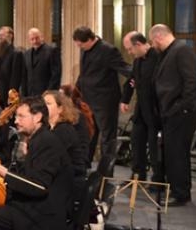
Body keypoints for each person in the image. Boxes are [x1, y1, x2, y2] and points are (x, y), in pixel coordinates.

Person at [0, 96, 72, 230]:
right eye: (16, 116)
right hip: (32, 209)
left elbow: (38, 187)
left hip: (40, 216)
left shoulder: (47, 142)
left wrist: (3, 173)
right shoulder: (38, 140)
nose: (16, 121)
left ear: (37, 117)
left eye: (21, 116)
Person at [149, 24, 196, 206]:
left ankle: (180, 194)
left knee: (177, 153)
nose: (153, 46)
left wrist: (180, 107)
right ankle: (178, 190)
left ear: (158, 38)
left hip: (181, 112)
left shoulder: (182, 51)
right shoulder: (169, 52)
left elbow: (192, 82)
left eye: (153, 42)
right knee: (173, 153)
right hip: (172, 111)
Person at [73, 26, 130, 177]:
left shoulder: (108, 50)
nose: (80, 48)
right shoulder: (84, 49)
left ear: (91, 39)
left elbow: (123, 67)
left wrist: (139, 75)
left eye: (81, 44)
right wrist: (76, 90)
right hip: (87, 100)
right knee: (88, 135)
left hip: (105, 101)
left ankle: (106, 173)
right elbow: (84, 73)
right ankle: (84, 168)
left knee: (107, 138)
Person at [121, 31, 163, 184]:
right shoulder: (138, 60)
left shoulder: (158, 58)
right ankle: (138, 176)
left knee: (154, 147)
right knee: (136, 142)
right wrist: (125, 100)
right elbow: (131, 80)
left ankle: (158, 180)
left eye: (130, 49)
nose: (129, 53)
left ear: (138, 44)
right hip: (141, 109)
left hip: (154, 110)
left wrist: (138, 84)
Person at [43, 90, 88, 176]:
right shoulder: (49, 128)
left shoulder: (64, 130)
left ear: (60, 109)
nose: (44, 107)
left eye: (48, 103)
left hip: (69, 180)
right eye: (43, 103)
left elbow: (49, 158)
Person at [0, 26, 24, 107]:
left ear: (10, 36)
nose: (0, 37)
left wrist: (11, 96)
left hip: (6, 94)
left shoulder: (16, 53)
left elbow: (15, 78)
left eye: (2, 35)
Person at [22, 28, 61, 97]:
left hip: (45, 93)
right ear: (29, 40)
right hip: (30, 94)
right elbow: (25, 76)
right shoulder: (26, 54)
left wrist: (49, 92)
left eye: (37, 38)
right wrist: (24, 94)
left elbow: (56, 74)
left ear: (41, 37)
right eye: (32, 39)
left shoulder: (52, 51)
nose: (35, 41)